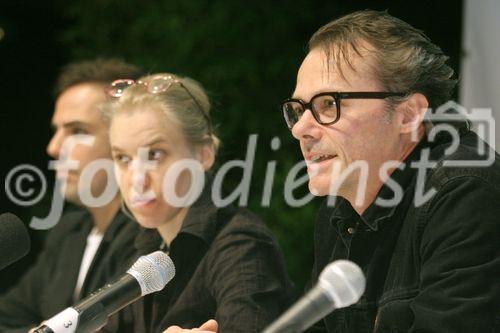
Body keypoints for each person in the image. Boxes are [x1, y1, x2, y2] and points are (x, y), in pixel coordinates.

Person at [279, 10, 500, 333]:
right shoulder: (338, 212)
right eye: (298, 110)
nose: (301, 128)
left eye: (328, 104)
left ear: (408, 115)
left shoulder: (464, 191)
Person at [100, 73, 293, 332]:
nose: (136, 180)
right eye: (122, 158)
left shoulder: (241, 245)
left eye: (155, 154)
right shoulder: (139, 249)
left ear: (204, 155)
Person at [0, 58, 142, 331]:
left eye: (77, 131)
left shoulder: (153, 235)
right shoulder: (68, 232)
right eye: (57, 130)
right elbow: (7, 315)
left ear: (127, 141)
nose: (54, 147)